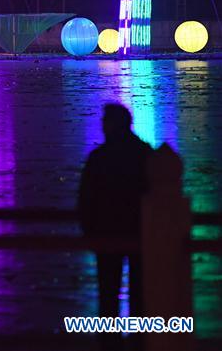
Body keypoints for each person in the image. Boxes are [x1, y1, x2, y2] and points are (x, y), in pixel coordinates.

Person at [79, 103, 153, 351]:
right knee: (141, 292)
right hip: (140, 234)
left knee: (108, 293)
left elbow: (86, 199)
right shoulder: (145, 154)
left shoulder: (100, 158)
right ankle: (141, 341)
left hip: (107, 235)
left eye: (105, 121)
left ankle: (109, 342)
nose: (102, 125)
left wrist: (90, 232)